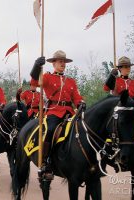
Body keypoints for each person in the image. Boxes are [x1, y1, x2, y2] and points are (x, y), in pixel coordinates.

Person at [30, 50, 85, 180]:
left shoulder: (70, 81)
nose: (63, 64)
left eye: (64, 62)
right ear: (53, 63)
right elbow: (33, 83)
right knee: (50, 130)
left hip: (69, 112)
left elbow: (76, 97)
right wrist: (37, 66)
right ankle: (46, 162)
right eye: (60, 61)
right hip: (54, 111)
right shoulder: (47, 77)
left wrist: (81, 103)